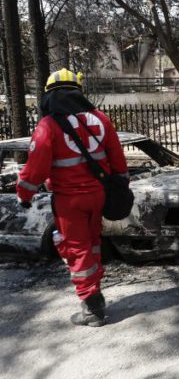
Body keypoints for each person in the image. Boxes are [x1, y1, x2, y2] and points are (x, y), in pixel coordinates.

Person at [16, 69, 128, 327]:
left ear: (49, 95)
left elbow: (35, 169)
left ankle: (91, 307)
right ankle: (95, 291)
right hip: (99, 195)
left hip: (69, 201)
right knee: (93, 244)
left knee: (76, 248)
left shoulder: (48, 125)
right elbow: (117, 158)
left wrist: (24, 194)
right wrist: (121, 184)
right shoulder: (100, 119)